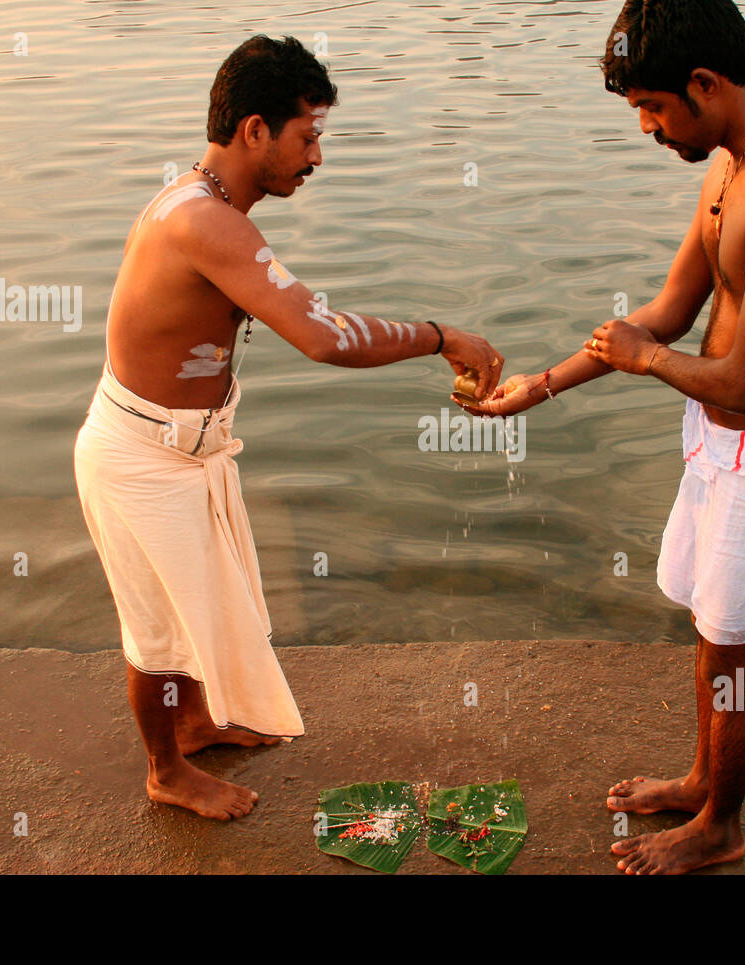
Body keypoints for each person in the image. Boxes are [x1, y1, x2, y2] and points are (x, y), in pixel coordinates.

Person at [459, 0, 745, 873]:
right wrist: (540, 386)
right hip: (718, 444)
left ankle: (722, 826)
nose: (646, 127)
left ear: (705, 85)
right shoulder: (730, 165)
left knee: (741, 651)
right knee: (714, 632)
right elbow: (671, 314)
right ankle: (701, 780)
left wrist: (644, 362)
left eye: (652, 106)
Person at [74, 34, 503, 821]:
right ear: (254, 130)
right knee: (159, 628)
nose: (315, 158)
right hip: (140, 457)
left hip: (181, 448)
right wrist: (444, 336)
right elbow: (323, 336)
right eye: (307, 137)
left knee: (200, 598)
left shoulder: (204, 203)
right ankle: (165, 769)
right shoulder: (208, 224)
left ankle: (199, 724)